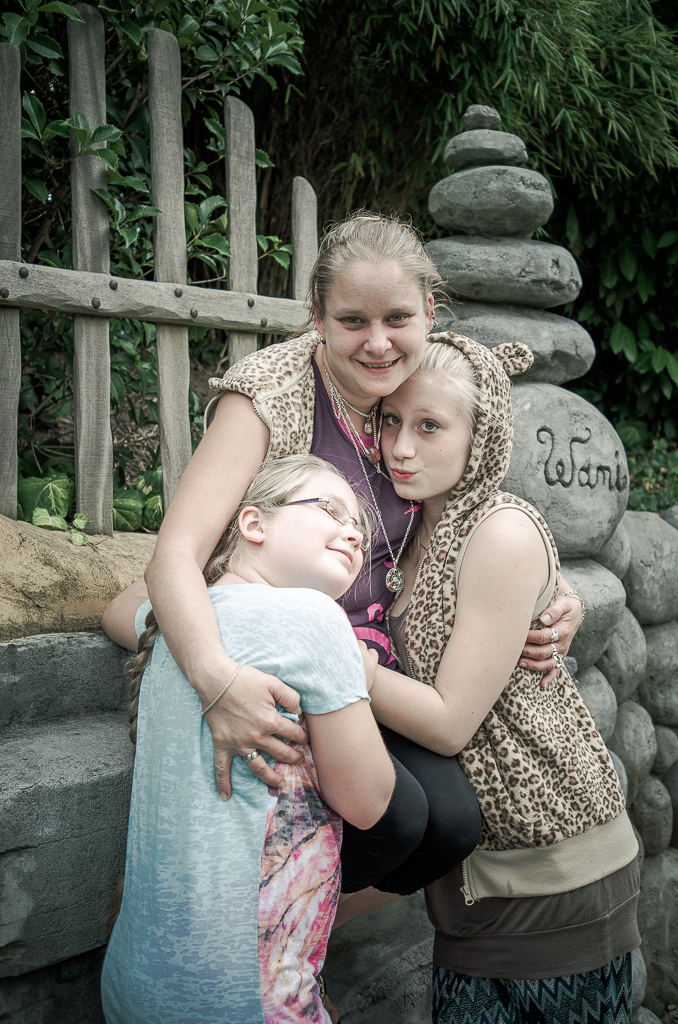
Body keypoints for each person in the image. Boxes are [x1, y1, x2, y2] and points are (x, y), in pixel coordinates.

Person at [119, 211, 583, 901]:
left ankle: (299, 930)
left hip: (369, 655)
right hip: (279, 646)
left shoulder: (420, 381)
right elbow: (174, 556)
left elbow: (474, 494)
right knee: (398, 819)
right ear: (317, 318)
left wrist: (555, 590)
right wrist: (217, 682)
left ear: (429, 313)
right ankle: (264, 930)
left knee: (454, 824)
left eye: (397, 318)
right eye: (352, 321)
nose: (377, 342)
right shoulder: (270, 397)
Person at [366, 332, 639, 1024]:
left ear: (480, 435)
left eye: (430, 426)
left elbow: (450, 721)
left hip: (554, 871)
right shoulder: (402, 528)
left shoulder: (499, 531)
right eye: (391, 420)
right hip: (473, 876)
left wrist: (338, 662)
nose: (401, 447)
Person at [100, 454, 396, 1024]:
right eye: (330, 509)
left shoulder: (172, 627)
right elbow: (368, 801)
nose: (355, 533)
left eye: (359, 525)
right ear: (254, 523)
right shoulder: (315, 618)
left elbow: (123, 606)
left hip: (132, 982)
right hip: (245, 996)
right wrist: (360, 682)